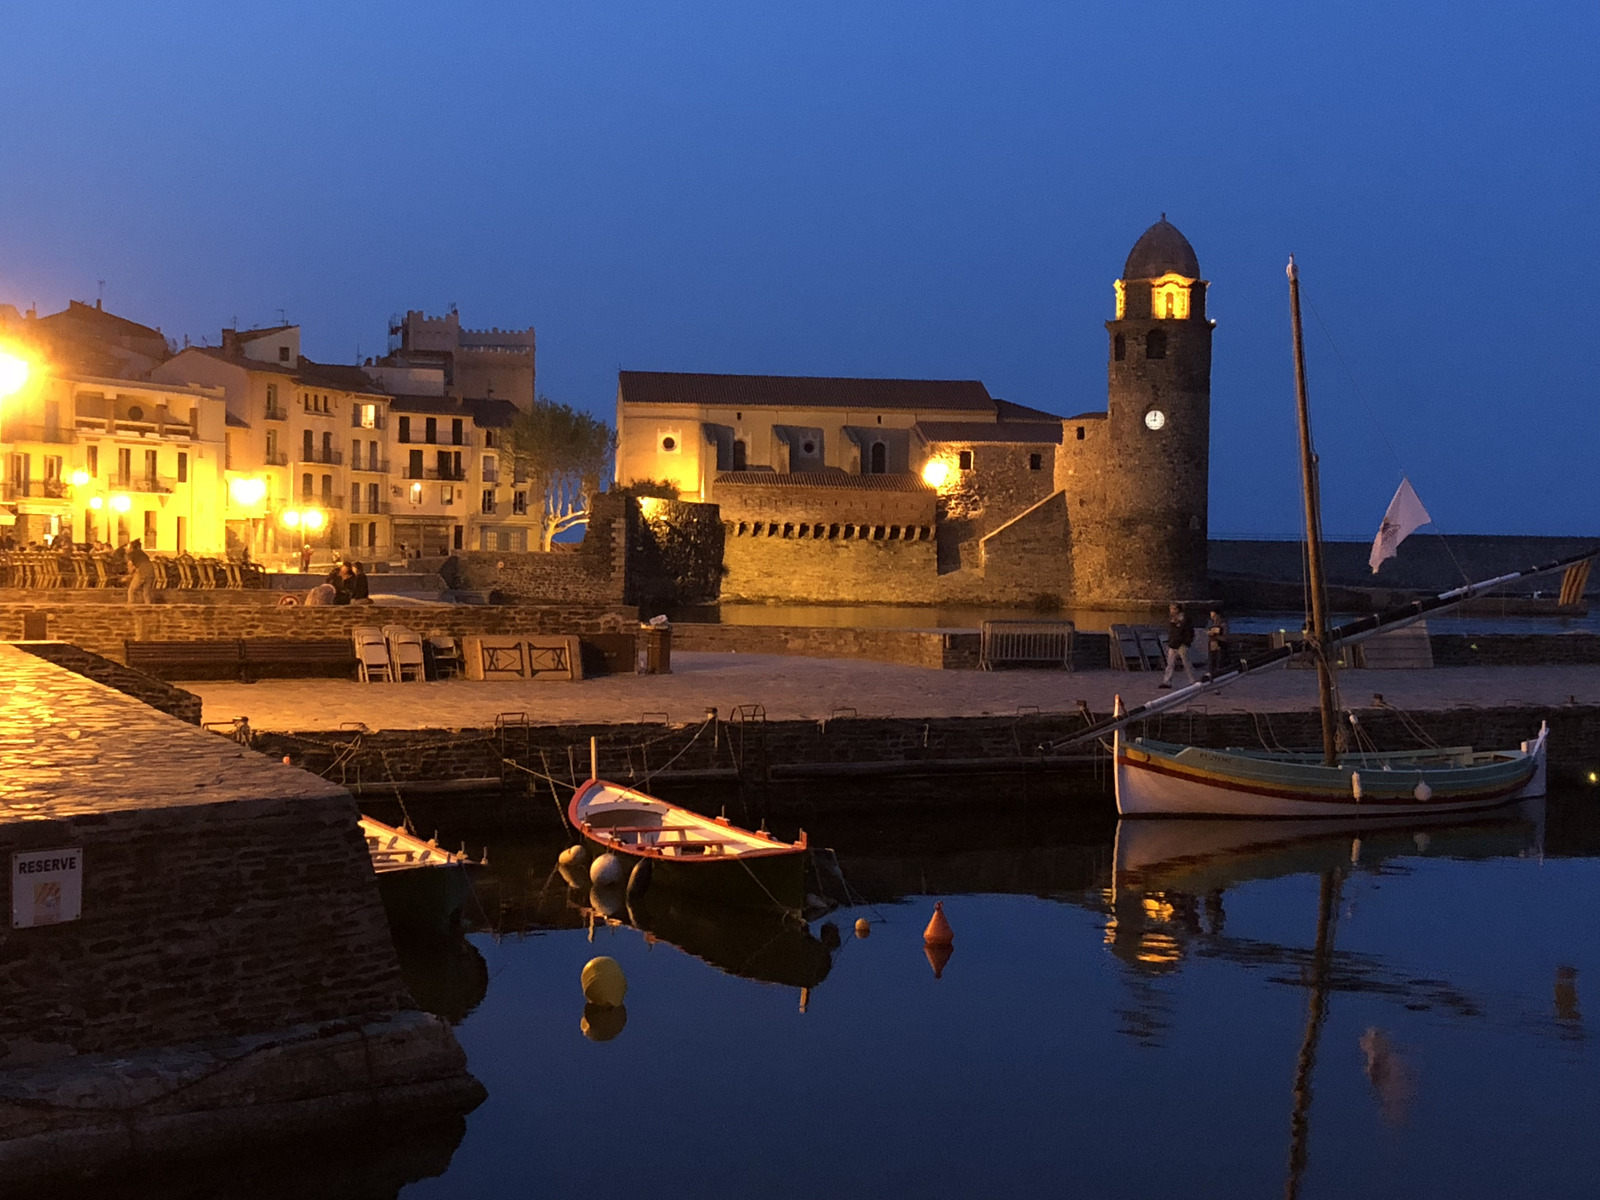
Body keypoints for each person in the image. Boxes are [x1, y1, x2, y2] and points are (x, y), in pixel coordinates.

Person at [1159, 602, 1197, 688]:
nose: (1171, 610)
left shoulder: (1185, 619)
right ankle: (1167, 681)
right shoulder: (1171, 619)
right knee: (1170, 663)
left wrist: (1187, 642)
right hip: (1173, 643)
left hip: (1182, 644)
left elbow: (1189, 631)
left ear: (1177, 609)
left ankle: (1193, 680)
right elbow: (1171, 631)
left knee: (1186, 663)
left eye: (1173, 608)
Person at [126, 538, 155, 604]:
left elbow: (130, 565)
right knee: (146, 592)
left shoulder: (131, 554)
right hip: (151, 571)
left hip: (141, 571)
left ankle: (130, 606)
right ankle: (148, 606)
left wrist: (130, 574)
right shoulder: (143, 554)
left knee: (131, 591)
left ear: (132, 547)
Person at [1205, 609, 1229, 681]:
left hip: (1220, 646)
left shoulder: (1223, 625)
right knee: (1211, 663)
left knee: (1219, 664)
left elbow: (1226, 638)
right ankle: (1211, 677)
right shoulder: (1210, 624)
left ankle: (1218, 679)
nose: (1213, 618)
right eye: (1212, 616)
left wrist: (1217, 636)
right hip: (1212, 645)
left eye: (1214, 616)